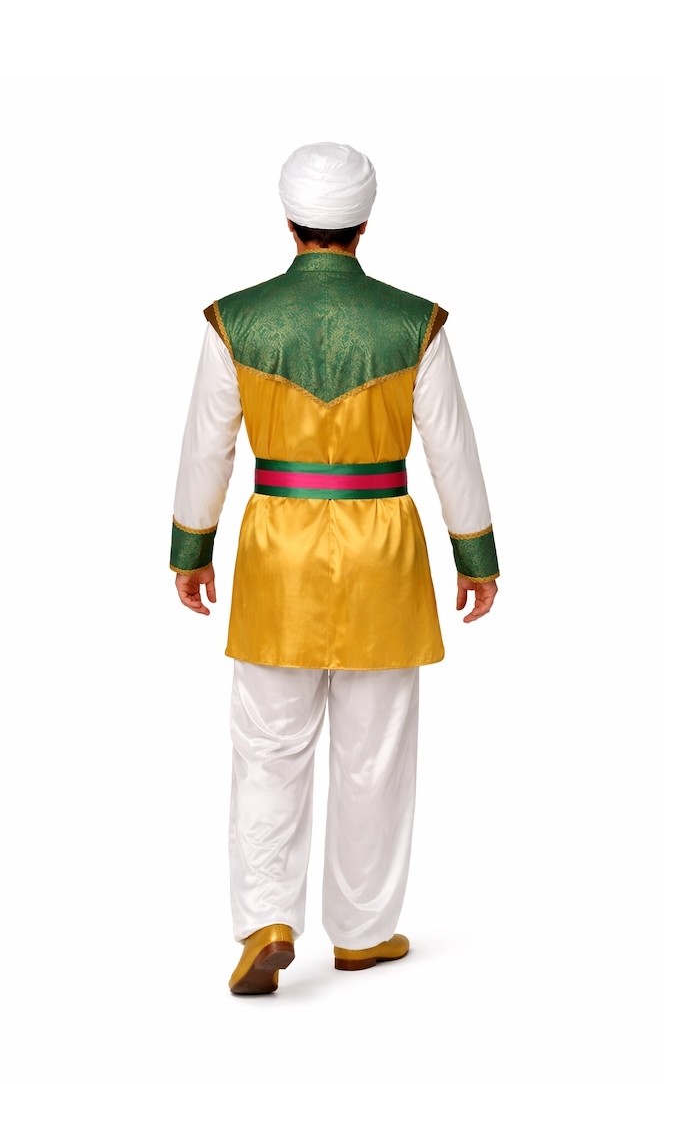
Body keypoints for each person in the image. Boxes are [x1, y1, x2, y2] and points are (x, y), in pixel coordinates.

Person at [170, 141, 499, 994]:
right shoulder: (415, 322)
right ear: (364, 223)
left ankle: (266, 919)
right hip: (381, 549)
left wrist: (190, 547)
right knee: (373, 751)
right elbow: (451, 447)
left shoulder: (235, 320)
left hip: (276, 548)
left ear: (290, 222)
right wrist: (475, 556)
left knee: (267, 743)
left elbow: (208, 444)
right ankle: (361, 932)